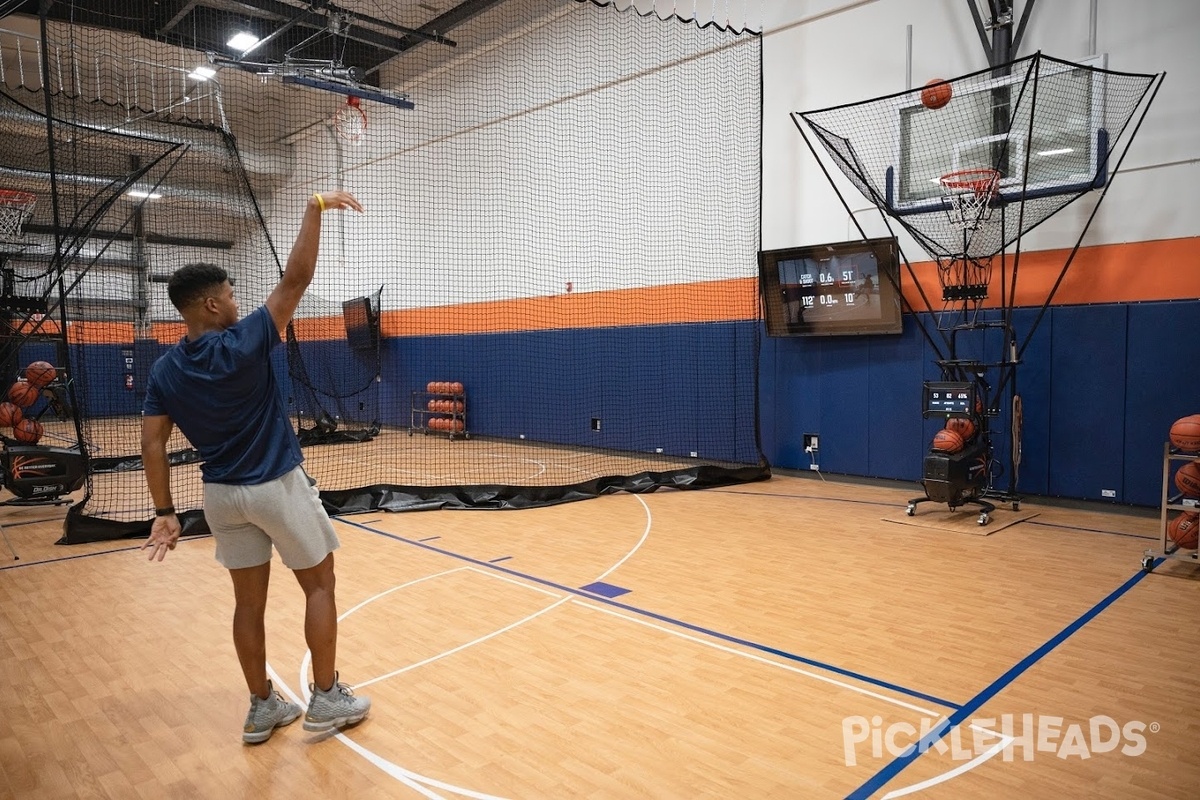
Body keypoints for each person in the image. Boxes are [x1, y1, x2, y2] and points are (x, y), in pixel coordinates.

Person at [140, 190, 371, 744]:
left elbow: (152, 445)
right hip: (276, 486)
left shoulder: (165, 370)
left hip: (220, 496)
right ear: (211, 306)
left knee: (248, 604)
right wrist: (313, 206)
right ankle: (325, 697)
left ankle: (262, 707)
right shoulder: (244, 342)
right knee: (320, 585)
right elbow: (296, 277)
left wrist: (165, 512)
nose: (237, 299)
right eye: (230, 292)